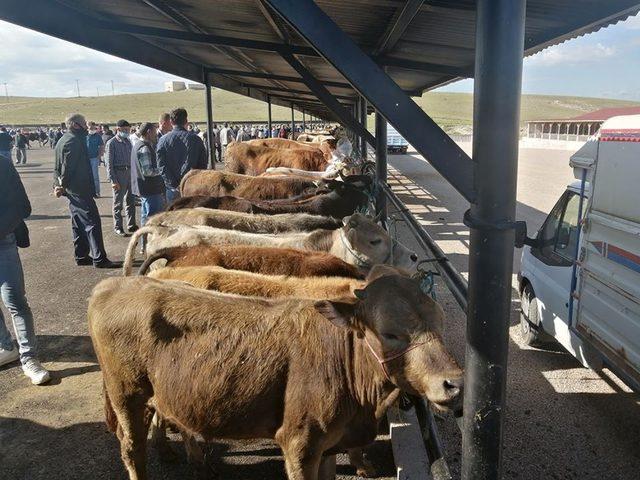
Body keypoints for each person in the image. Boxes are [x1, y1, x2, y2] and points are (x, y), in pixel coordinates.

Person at [0, 155, 51, 384]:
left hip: (3, 243)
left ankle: (29, 358)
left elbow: (22, 206)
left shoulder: (2, 164)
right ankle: (5, 346)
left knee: (15, 301)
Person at [54, 114, 114, 269]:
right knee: (92, 223)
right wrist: (62, 185)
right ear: (75, 125)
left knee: (77, 222)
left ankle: (81, 255)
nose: (87, 127)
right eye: (83, 124)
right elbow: (67, 168)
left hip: (73, 190)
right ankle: (99, 258)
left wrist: (58, 184)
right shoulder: (73, 141)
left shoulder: (63, 140)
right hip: (79, 189)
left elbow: (57, 168)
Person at [156, 108, 207, 203]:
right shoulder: (196, 139)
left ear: (171, 122)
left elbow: (161, 166)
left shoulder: (163, 140)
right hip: (192, 187)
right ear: (186, 121)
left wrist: (174, 184)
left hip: (172, 188)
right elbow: (203, 164)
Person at [130, 122, 165, 247]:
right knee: (153, 219)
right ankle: (150, 245)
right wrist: (162, 171)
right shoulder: (145, 148)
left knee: (145, 218)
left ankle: (144, 246)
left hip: (143, 188)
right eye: (155, 132)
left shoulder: (137, 145)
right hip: (151, 188)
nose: (156, 135)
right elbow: (148, 171)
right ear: (149, 132)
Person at [105, 119, 137, 236]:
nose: (127, 132)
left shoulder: (128, 142)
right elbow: (109, 164)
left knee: (130, 201)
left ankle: (131, 224)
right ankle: (118, 227)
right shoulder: (111, 143)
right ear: (118, 129)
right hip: (118, 174)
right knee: (118, 203)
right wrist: (113, 180)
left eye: (128, 130)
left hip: (129, 173)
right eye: (124, 130)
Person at [86, 121, 104, 198]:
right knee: (86, 176)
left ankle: (97, 192)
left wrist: (99, 156)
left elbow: (101, 146)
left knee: (95, 176)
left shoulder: (97, 136)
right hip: (85, 159)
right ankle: (88, 192)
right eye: (89, 128)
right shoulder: (84, 135)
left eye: (93, 128)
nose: (91, 129)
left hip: (94, 158)